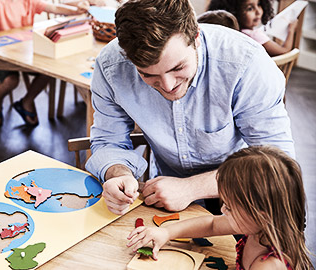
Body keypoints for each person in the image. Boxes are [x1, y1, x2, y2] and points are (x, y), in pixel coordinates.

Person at [86, 0, 294, 215]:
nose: (168, 86)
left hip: (246, 193)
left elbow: (278, 164)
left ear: (195, 36)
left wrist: (192, 188)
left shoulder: (247, 64)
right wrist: (118, 173)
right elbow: (109, 141)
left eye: (178, 67)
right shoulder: (111, 66)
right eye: (148, 74)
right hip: (166, 194)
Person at [127, 146, 313, 270]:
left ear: (261, 215)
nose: (223, 210)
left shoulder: (268, 265)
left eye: (230, 207)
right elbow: (212, 224)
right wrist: (166, 233)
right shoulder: (259, 227)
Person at [0, 0, 92, 126]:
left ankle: (26, 101)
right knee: (11, 80)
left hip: (24, 53)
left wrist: (77, 11)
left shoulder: (29, 1)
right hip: (3, 56)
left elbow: (55, 8)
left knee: (49, 71)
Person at [207, 0, 298, 56]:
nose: (258, 11)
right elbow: (284, 51)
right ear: (235, 13)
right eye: (250, 8)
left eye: (259, 4)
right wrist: (291, 30)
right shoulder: (254, 36)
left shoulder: (231, 34)